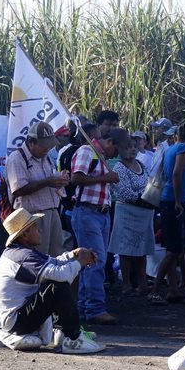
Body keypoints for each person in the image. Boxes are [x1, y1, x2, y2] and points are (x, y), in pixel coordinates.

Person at [0, 207, 105, 354]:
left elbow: (54, 263)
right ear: (25, 234)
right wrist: (80, 262)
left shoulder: (20, 251)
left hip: (15, 317)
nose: (40, 230)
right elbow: (60, 275)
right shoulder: (23, 255)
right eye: (35, 227)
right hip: (16, 320)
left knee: (54, 282)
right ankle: (73, 337)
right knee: (57, 285)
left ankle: (62, 332)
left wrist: (73, 255)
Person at [70, 127, 129, 325]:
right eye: (116, 150)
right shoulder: (88, 151)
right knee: (96, 260)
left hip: (100, 213)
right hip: (88, 212)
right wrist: (106, 178)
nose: (115, 155)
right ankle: (95, 308)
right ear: (110, 142)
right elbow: (76, 178)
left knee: (91, 261)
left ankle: (85, 307)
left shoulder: (100, 155)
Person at [5, 122, 69, 256]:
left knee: (56, 256)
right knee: (37, 258)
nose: (47, 149)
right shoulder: (17, 158)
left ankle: (52, 278)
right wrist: (47, 182)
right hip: (32, 216)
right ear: (31, 142)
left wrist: (60, 180)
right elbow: (18, 190)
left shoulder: (46, 157)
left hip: (52, 212)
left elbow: (50, 180)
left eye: (49, 146)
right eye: (44, 146)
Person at [155, 121, 185, 304]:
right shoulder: (183, 149)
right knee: (173, 250)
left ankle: (173, 290)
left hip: (168, 200)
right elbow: (176, 173)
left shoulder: (170, 148)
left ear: (175, 135)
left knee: (172, 248)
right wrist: (179, 200)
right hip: (173, 202)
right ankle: (155, 289)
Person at [109, 134, 152, 296]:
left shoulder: (141, 164)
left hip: (143, 212)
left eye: (134, 146)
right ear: (120, 149)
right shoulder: (119, 167)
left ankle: (142, 283)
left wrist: (149, 197)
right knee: (126, 250)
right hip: (127, 211)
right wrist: (144, 199)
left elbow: (149, 183)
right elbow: (125, 192)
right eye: (128, 146)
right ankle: (126, 284)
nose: (132, 149)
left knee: (142, 249)